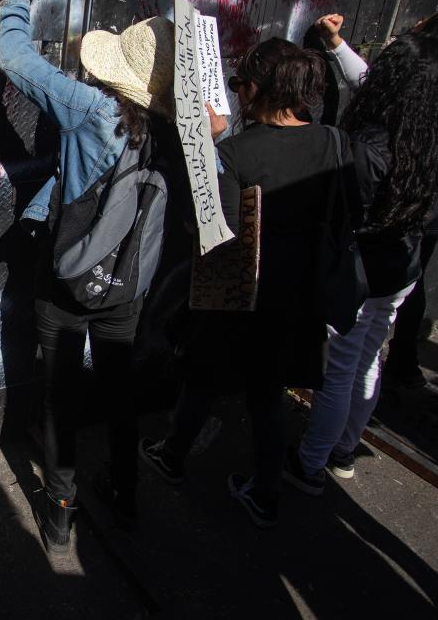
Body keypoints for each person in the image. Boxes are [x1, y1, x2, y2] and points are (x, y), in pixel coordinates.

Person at [0, 0, 180, 546]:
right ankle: (125, 493)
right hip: (128, 285)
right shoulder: (182, 133)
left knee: (60, 394)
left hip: (68, 280)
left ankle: (59, 511)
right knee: (119, 389)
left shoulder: (93, 110)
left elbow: (14, 59)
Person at [140, 38, 337, 529]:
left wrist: (206, 149)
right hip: (297, 295)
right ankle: (266, 493)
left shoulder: (235, 153)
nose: (235, 92)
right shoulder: (332, 142)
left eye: (239, 84)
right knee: (267, 395)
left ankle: (173, 455)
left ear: (257, 90)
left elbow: (215, 232)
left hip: (240, 295)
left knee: (203, 377)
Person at [287, 32, 438, 494]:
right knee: (367, 359)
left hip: (361, 275)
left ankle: (310, 463)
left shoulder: (372, 146)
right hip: (399, 271)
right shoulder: (435, 140)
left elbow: (345, 209)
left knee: (338, 371)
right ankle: (344, 450)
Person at [314, 11, 438, 383]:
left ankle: (397, 365)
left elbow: (370, 84)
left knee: (343, 360)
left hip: (380, 253)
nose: (414, 24)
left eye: (422, 26)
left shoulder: (380, 140)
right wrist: (335, 43)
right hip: (413, 232)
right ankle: (399, 368)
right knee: (369, 348)